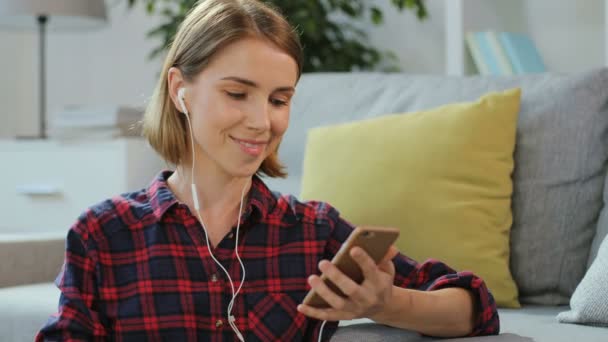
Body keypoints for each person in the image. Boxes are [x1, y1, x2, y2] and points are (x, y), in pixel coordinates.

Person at [36, 0, 499, 341]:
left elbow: (473, 306)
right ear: (181, 90)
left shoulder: (314, 231)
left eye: (280, 99)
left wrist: (388, 302)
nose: (263, 122)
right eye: (238, 94)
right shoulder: (103, 235)